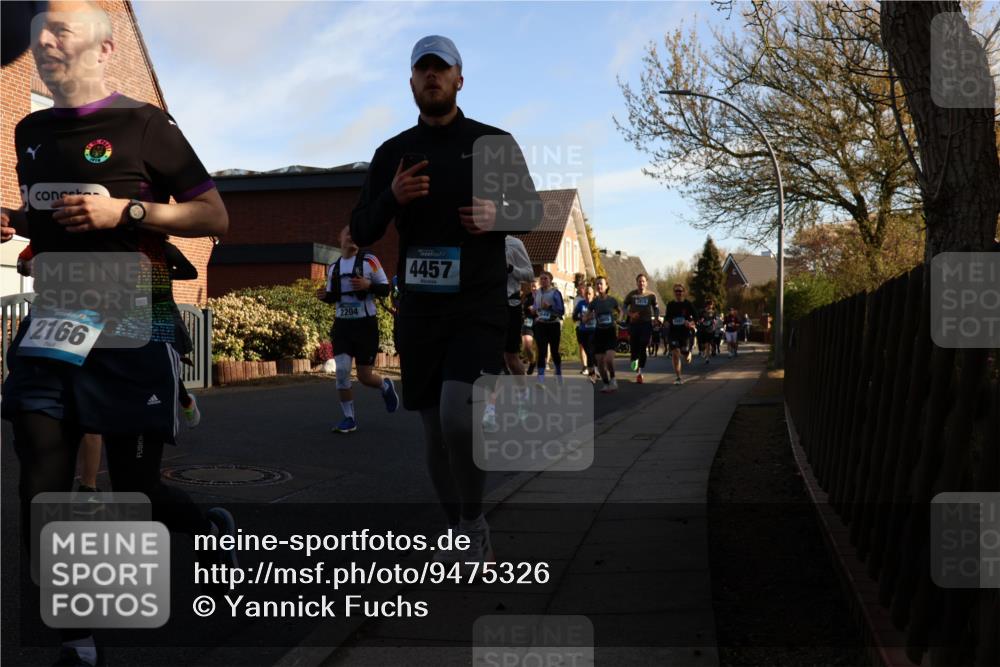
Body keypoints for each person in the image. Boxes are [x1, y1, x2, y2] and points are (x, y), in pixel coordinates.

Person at [0, 5, 237, 664]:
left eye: (62, 29)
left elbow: (214, 215)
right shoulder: (28, 130)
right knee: (39, 472)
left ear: (105, 50)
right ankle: (78, 641)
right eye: (40, 30)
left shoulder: (145, 124)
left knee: (139, 493)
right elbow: (55, 216)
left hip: (132, 317)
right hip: (57, 319)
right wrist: (15, 218)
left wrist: (126, 210)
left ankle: (204, 526)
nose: (45, 39)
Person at [349, 34, 541, 567]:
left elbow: (530, 211)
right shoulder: (392, 153)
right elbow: (361, 228)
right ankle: (458, 526)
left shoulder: (493, 143)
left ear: (460, 78)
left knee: (460, 417)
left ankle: (474, 520)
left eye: (441, 67)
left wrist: (496, 217)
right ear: (411, 81)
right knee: (434, 431)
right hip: (420, 311)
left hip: (477, 306)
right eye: (422, 68)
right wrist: (392, 197)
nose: (431, 76)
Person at [319, 225, 399, 433]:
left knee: (364, 376)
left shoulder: (369, 261)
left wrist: (367, 285)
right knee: (342, 372)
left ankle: (385, 386)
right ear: (339, 238)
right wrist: (325, 296)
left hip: (365, 326)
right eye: (348, 233)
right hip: (342, 327)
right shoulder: (333, 268)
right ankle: (349, 418)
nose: (352, 237)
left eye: (356, 233)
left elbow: (385, 289)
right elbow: (333, 296)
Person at [482, 235, 535, 430]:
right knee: (493, 359)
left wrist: (511, 268)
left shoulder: (514, 243)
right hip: (489, 305)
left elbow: (529, 274)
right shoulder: (481, 242)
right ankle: (490, 412)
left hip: (510, 305)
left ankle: (523, 397)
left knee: (511, 358)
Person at [622, 273, 659, 384]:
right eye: (639, 281)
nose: (641, 283)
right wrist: (630, 314)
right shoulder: (632, 295)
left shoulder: (651, 295)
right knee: (634, 347)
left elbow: (656, 308)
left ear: (646, 283)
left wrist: (656, 318)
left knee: (643, 345)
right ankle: (634, 360)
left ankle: (640, 372)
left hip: (646, 324)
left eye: (643, 281)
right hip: (634, 324)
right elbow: (623, 307)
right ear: (636, 283)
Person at [530, 271, 565, 381]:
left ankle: (558, 371)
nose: (543, 280)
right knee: (541, 351)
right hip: (541, 325)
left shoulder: (555, 293)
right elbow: (536, 306)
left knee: (554, 351)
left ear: (550, 280)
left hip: (553, 324)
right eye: (541, 279)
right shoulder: (537, 293)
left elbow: (561, 311)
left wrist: (550, 307)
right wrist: (534, 309)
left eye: (545, 278)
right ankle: (540, 377)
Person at [591, 276, 621, 393]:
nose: (599, 286)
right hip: (599, 333)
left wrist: (619, 319)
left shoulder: (612, 300)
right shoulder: (594, 302)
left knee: (608, 359)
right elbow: (588, 313)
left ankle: (613, 379)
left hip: (610, 332)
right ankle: (606, 383)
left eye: (601, 284)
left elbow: (620, 311)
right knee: (599, 362)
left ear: (606, 286)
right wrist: (585, 317)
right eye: (597, 284)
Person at [664, 284, 697, 384]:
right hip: (673, 333)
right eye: (676, 291)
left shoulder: (688, 304)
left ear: (683, 292)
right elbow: (667, 318)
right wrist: (666, 323)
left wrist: (690, 323)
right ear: (674, 293)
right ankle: (678, 378)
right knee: (675, 353)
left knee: (686, 358)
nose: (678, 293)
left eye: (680, 291)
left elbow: (697, 317)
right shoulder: (670, 304)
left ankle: (689, 352)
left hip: (685, 333)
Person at [572, 283, 598, 383]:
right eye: (586, 293)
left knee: (592, 352)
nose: (587, 295)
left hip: (594, 331)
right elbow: (574, 317)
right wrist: (582, 318)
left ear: (593, 295)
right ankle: (593, 371)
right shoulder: (580, 304)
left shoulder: (597, 304)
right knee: (588, 352)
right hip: (583, 331)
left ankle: (593, 373)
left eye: (590, 294)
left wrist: (593, 316)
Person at [521, 279, 538, 375]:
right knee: (526, 345)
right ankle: (532, 361)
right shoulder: (527, 297)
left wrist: (538, 310)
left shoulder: (545, 297)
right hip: (528, 321)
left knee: (541, 347)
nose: (534, 288)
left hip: (541, 322)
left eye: (535, 286)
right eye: (532, 286)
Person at [572, 281, 589, 375]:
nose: (581, 290)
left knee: (591, 346)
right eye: (579, 288)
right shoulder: (577, 300)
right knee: (582, 346)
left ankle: (592, 365)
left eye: (583, 288)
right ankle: (584, 366)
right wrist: (580, 318)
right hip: (580, 325)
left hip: (591, 326)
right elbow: (575, 314)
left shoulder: (592, 298)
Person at [696, 299, 717, 364]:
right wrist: (700, 320)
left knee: (708, 343)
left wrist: (714, 322)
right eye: (709, 305)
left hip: (710, 329)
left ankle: (707, 358)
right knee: (703, 343)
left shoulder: (713, 312)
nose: (711, 306)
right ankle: (702, 350)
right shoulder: (702, 311)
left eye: (712, 305)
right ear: (707, 305)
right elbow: (698, 319)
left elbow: (714, 319)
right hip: (702, 329)